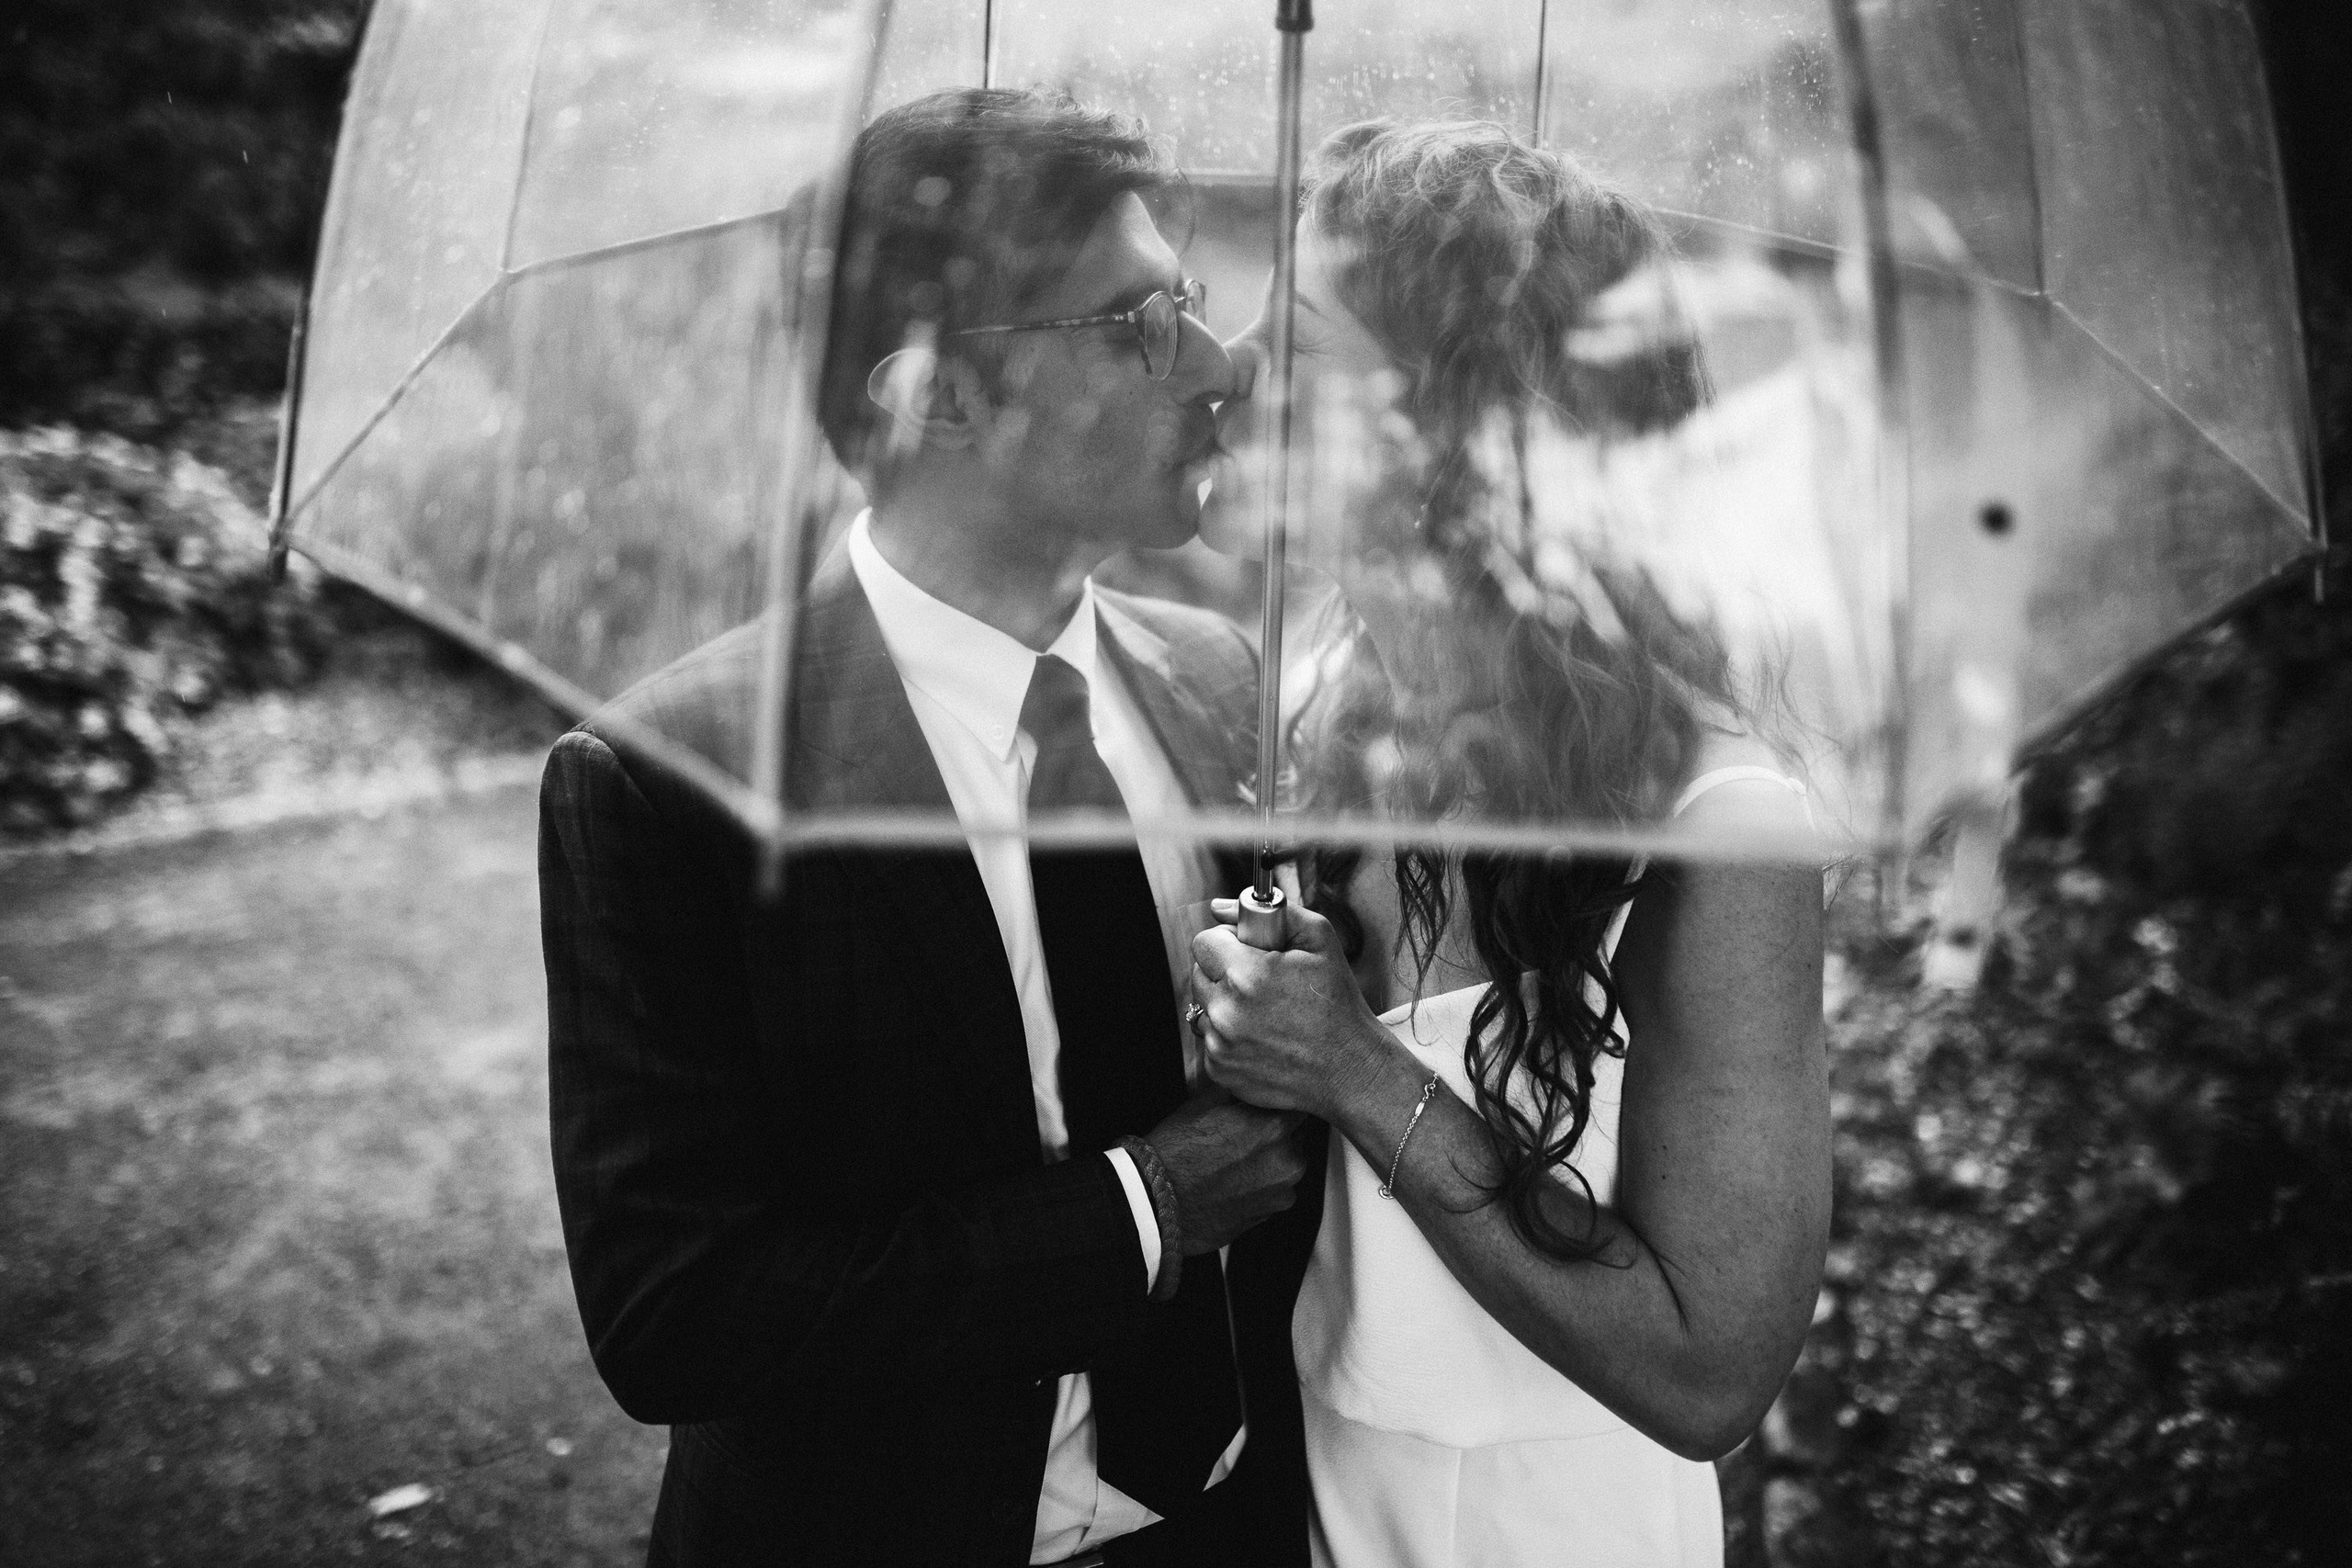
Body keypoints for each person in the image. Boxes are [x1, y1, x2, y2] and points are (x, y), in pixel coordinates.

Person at [537, 88, 1323, 1568]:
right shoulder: (672, 783)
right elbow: (675, 1310)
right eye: (1142, 323)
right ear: (937, 397)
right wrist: (1143, 1210)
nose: (1220, 367)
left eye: (1194, 304)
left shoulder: (1222, 679)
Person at [1189, 119, 1833, 1566]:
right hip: (1314, 1511)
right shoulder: (1305, 708)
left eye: (1299, 344)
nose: (1233, 368)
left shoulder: (1716, 832)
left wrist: (1357, 1068)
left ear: (1452, 432)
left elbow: (1710, 1373)